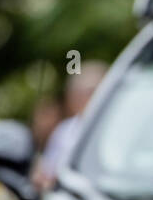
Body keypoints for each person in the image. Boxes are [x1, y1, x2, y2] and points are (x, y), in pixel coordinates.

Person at [32, 62, 108, 190]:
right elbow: (48, 171)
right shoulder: (64, 130)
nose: (81, 97)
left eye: (89, 91)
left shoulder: (114, 128)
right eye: (76, 91)